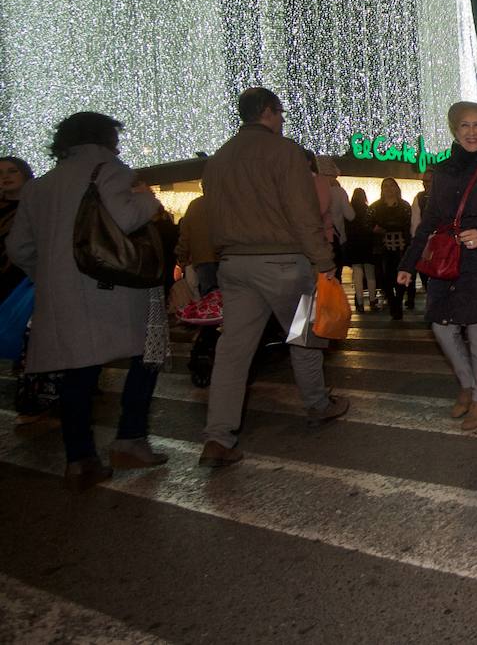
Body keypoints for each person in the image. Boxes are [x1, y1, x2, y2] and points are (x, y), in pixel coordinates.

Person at [5, 114, 167, 490]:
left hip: (60, 294)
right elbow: (126, 218)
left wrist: (47, 274)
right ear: (108, 138)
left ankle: (80, 459)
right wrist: (148, 200)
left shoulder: (39, 186)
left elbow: (18, 248)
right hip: (113, 287)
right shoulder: (112, 171)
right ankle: (130, 439)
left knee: (78, 371)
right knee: (148, 355)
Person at [199, 88, 348, 468]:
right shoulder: (284, 152)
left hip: (233, 264)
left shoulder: (218, 159)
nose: (282, 119)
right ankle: (317, 405)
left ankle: (218, 436)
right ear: (267, 112)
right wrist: (322, 260)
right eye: (279, 112)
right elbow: (302, 214)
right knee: (303, 336)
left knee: (233, 353)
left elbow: (209, 215)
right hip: (283, 264)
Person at [399, 101, 477, 431]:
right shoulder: (442, 170)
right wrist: (408, 263)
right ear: (455, 130)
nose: (471, 132)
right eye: (464, 125)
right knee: (441, 326)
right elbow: (429, 222)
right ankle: (468, 385)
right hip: (446, 261)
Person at [2, 156, 57, 425]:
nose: (6, 176)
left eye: (13, 171)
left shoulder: (37, 205)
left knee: (33, 343)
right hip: (8, 284)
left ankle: (35, 401)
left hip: (30, 282)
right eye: (1, 173)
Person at [369, 178, 412, 320]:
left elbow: (408, 224)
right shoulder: (375, 207)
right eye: (385, 186)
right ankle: (393, 301)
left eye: (391, 186)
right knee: (384, 277)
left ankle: (397, 302)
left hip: (401, 245)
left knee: (401, 275)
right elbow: (367, 223)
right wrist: (376, 229)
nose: (388, 189)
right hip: (382, 246)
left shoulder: (405, 206)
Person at [342, 188, 376, 312]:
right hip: (367, 244)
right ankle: (372, 301)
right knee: (370, 274)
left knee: (357, 275)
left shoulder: (350, 211)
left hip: (354, 245)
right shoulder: (368, 210)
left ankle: (360, 303)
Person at [406, 169, 434, 309]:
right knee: (426, 275)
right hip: (427, 242)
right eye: (424, 181)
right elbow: (415, 222)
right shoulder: (420, 198)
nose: (426, 184)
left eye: (428, 181)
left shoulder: (444, 196)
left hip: (440, 242)